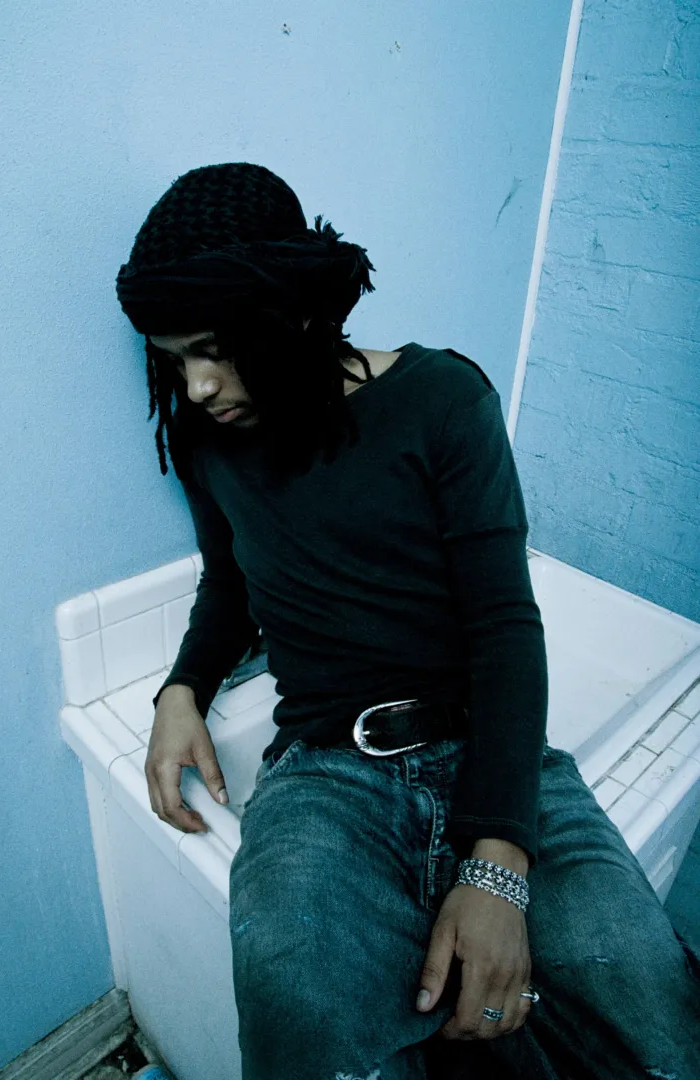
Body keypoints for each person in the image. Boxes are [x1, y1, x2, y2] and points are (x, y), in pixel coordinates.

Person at [115, 162, 700, 1080]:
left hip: (491, 753)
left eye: (212, 349)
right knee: (301, 1022)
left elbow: (504, 624)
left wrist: (496, 863)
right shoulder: (209, 441)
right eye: (171, 358)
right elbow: (231, 581)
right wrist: (182, 689)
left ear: (290, 313)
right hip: (325, 779)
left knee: (654, 1021)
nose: (194, 386)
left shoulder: (441, 400)